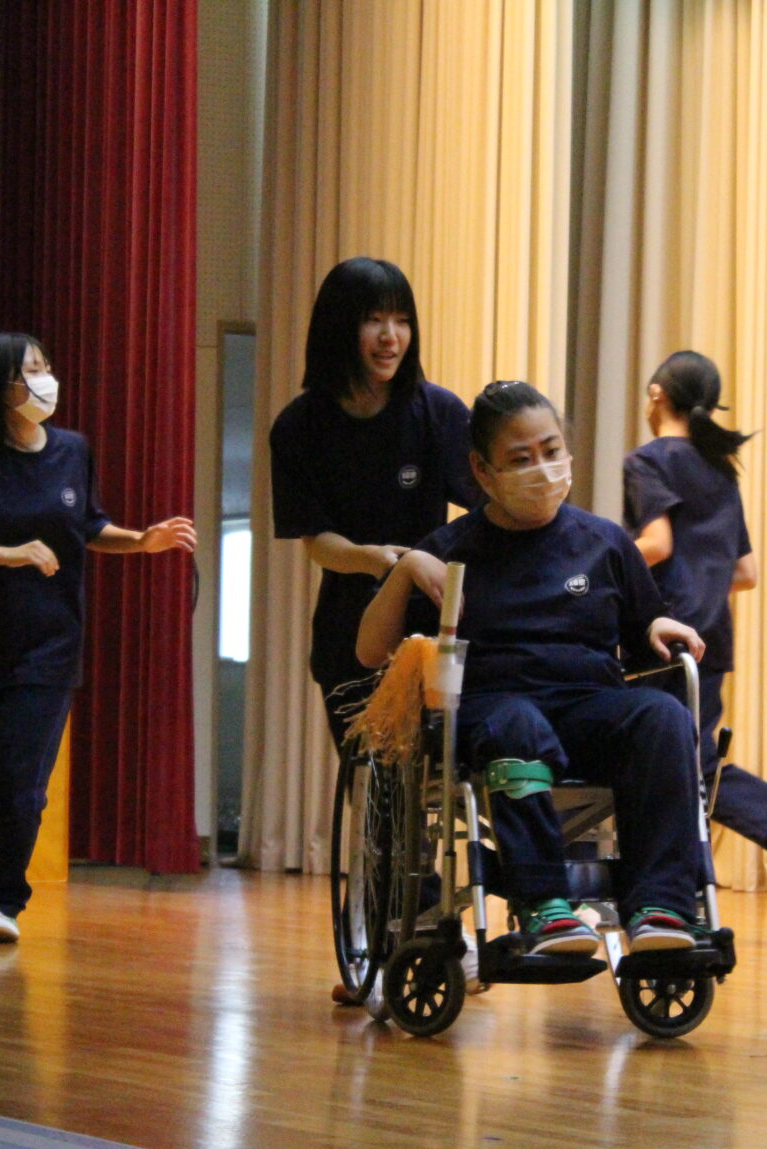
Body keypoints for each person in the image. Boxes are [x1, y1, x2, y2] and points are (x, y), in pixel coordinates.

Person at [358, 381, 709, 955]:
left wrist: (656, 628)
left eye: (551, 450)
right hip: (495, 714)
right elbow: (371, 652)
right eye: (521, 459)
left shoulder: (605, 543)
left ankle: (663, 907)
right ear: (483, 470)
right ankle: (544, 906)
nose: (542, 469)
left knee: (663, 717)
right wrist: (402, 571)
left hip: (588, 710)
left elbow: (644, 628)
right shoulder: (451, 549)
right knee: (517, 724)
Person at [0, 333, 197, 943]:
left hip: (50, 647)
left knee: (20, 779)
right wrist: (4, 554)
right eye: (27, 372)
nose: (43, 381)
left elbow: (88, 525)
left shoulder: (72, 451)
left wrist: (140, 540)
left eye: (45, 366)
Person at [623, 350, 767, 924]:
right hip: (710, 636)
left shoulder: (646, 461)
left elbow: (656, 544)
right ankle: (688, 889)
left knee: (670, 760)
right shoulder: (719, 470)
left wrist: (606, 562)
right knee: (690, 757)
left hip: (662, 635)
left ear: (657, 395)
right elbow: (746, 573)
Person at [270, 257, 480, 747]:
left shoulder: (439, 411)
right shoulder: (299, 426)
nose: (392, 336)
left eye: (402, 320)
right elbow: (316, 539)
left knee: (438, 771)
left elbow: (486, 504)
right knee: (371, 784)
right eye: (374, 320)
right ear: (339, 327)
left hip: (433, 623)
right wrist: (379, 560)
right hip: (348, 623)